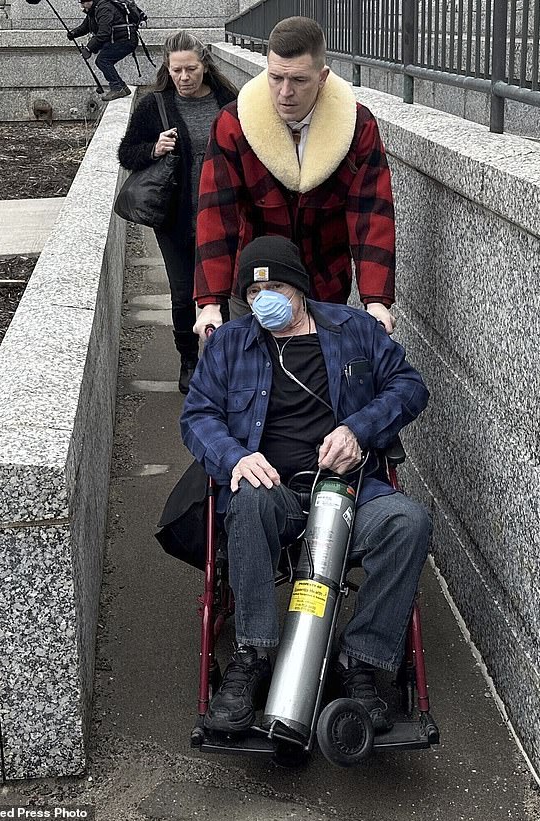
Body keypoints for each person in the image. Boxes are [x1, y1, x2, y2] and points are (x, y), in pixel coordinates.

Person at [181, 235, 430, 735]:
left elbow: (410, 385)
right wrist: (236, 457)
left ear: (298, 286)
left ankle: (358, 659)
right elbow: (197, 416)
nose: (262, 302)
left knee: (409, 522)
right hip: (274, 494)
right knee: (245, 496)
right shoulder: (230, 344)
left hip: (348, 493)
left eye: (273, 288)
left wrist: (359, 429)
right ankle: (253, 656)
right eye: (251, 295)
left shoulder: (353, 329)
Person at [193, 16, 397, 341]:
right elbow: (216, 214)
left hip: (324, 284)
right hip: (253, 283)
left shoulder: (357, 125)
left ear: (323, 77)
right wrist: (209, 302)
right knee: (237, 377)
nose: (285, 92)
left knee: (320, 381)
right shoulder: (233, 124)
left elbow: (371, 213)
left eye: (299, 80)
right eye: (276, 78)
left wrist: (376, 300)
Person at [119, 32, 237, 393]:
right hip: (175, 218)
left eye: (191, 69)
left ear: (205, 65)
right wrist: (154, 148)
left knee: (219, 292)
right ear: (167, 70)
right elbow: (127, 153)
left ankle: (223, 365)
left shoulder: (228, 101)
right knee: (184, 293)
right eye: (176, 71)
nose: (184, 77)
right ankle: (189, 360)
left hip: (221, 217)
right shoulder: (155, 105)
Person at [68, 0, 137, 102]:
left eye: (83, 2)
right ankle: (122, 87)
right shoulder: (94, 10)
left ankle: (118, 88)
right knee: (103, 60)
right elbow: (86, 27)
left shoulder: (104, 8)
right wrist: (73, 33)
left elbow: (104, 33)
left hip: (125, 40)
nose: (82, 6)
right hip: (120, 40)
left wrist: (89, 48)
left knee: (103, 60)